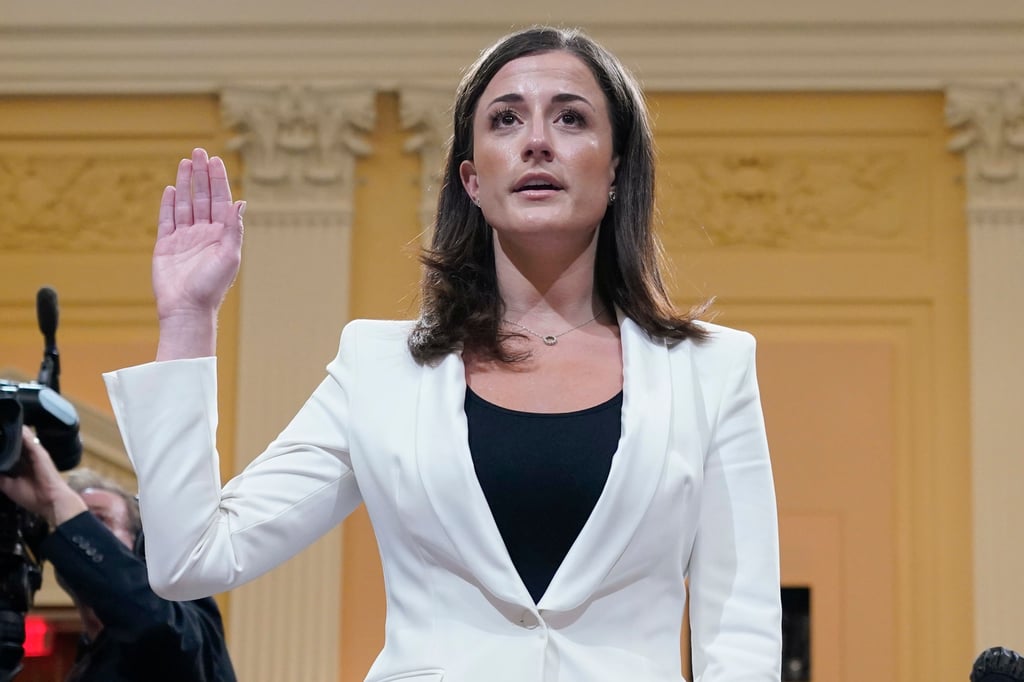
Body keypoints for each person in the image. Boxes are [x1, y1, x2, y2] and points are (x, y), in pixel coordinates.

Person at [102, 25, 782, 682]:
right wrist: (188, 317)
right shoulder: (378, 367)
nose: (537, 141)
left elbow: (740, 629)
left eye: (571, 119)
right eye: (506, 120)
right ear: (471, 180)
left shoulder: (712, 371)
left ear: (615, 173)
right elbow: (192, 558)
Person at [0, 428, 237, 682]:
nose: (72, 532)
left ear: (140, 546)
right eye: (75, 520)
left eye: (99, 521)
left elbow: (159, 630)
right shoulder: (86, 661)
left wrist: (57, 498)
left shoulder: (189, 618)